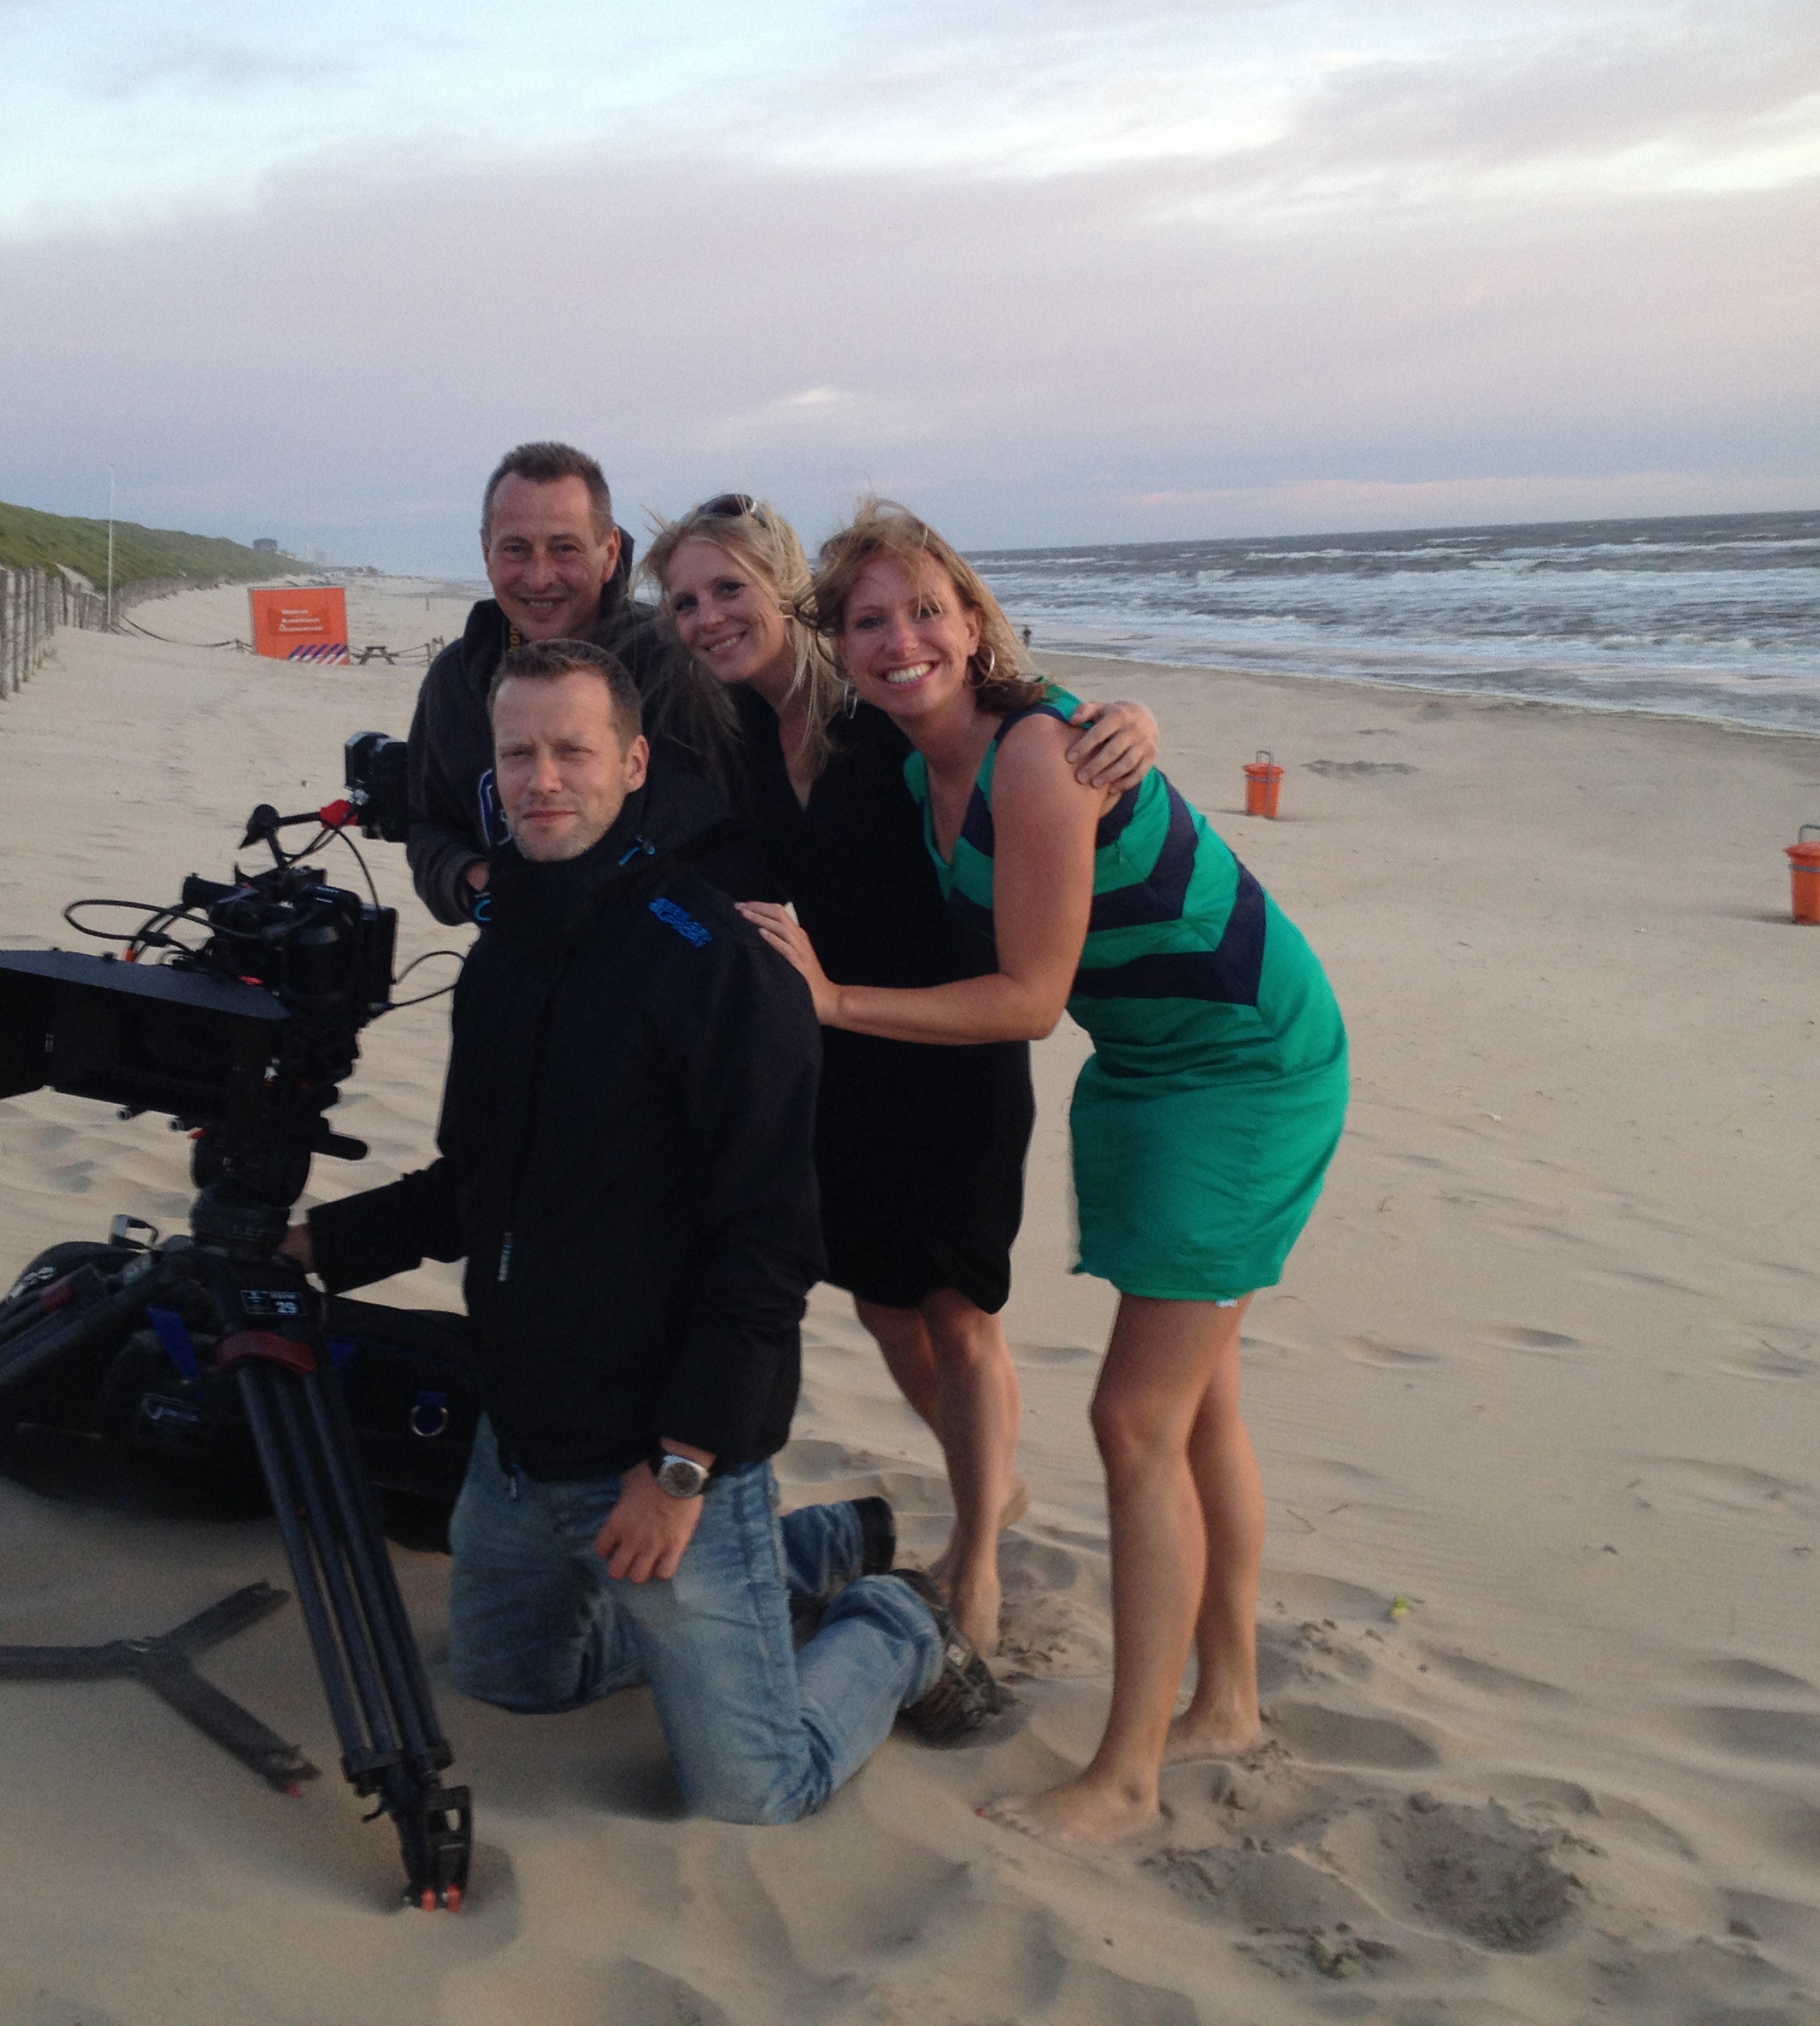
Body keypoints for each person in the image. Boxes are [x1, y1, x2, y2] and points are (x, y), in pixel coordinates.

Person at [287, 636, 1000, 1824]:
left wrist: (678, 1470)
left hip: (666, 1457)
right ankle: (818, 1550)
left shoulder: (718, 965)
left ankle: (895, 1620)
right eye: (518, 754)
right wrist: (312, 1249)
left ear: (633, 764)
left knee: (757, 1791)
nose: (541, 779)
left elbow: (770, 1248)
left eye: (572, 752)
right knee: (510, 1682)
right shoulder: (501, 953)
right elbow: (472, 1187)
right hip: (522, 1445)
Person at [743, 503, 1348, 1846]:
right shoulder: (921, 767)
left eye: (926, 610)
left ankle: (1125, 1780)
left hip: (1247, 1065)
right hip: (1145, 1066)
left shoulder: (1031, 752)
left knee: (1133, 1420)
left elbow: (1026, 1001)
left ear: (974, 621)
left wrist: (833, 1004)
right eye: (869, 621)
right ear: (841, 648)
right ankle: (1228, 1699)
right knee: (1196, 1405)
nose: (901, 639)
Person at [639, 495, 1158, 1657]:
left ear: (787, 590)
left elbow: (1018, 712)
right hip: (831, 1057)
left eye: (729, 590)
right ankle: (992, 1480)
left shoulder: (881, 707)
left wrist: (1131, 718)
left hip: (954, 1040)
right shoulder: (728, 730)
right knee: (882, 1306)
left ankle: (976, 1555)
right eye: (685, 602)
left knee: (959, 1315)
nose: (709, 617)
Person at [403, 441, 727, 927]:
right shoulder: (455, 680)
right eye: (516, 549)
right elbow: (428, 824)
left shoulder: (676, 667)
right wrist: (476, 882)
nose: (539, 577)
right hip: (519, 952)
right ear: (487, 552)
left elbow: (729, 832)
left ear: (609, 552)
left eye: (564, 549)